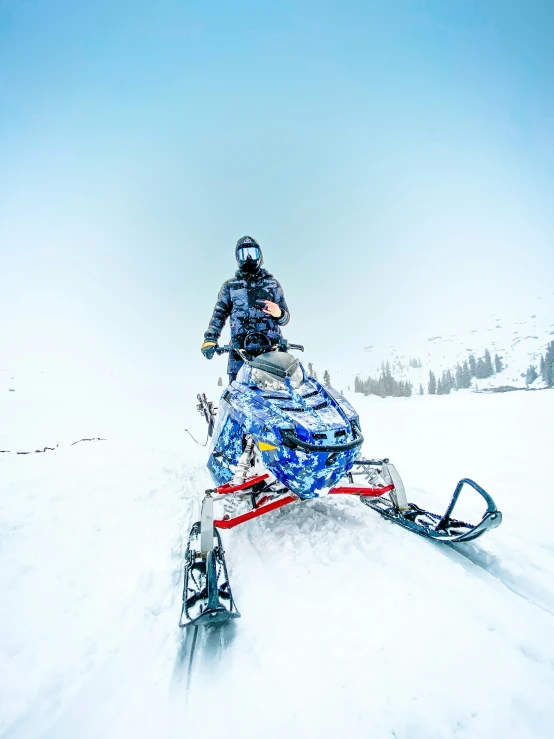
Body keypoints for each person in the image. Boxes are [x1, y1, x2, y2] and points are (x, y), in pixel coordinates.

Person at [201, 236, 290, 383]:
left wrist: (279, 313)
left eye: (252, 253)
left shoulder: (272, 285)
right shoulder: (230, 286)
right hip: (240, 353)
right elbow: (219, 314)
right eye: (244, 254)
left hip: (272, 351)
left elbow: (285, 318)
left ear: (259, 255)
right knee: (239, 396)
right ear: (238, 258)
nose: (248, 257)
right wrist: (210, 339)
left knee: (281, 396)